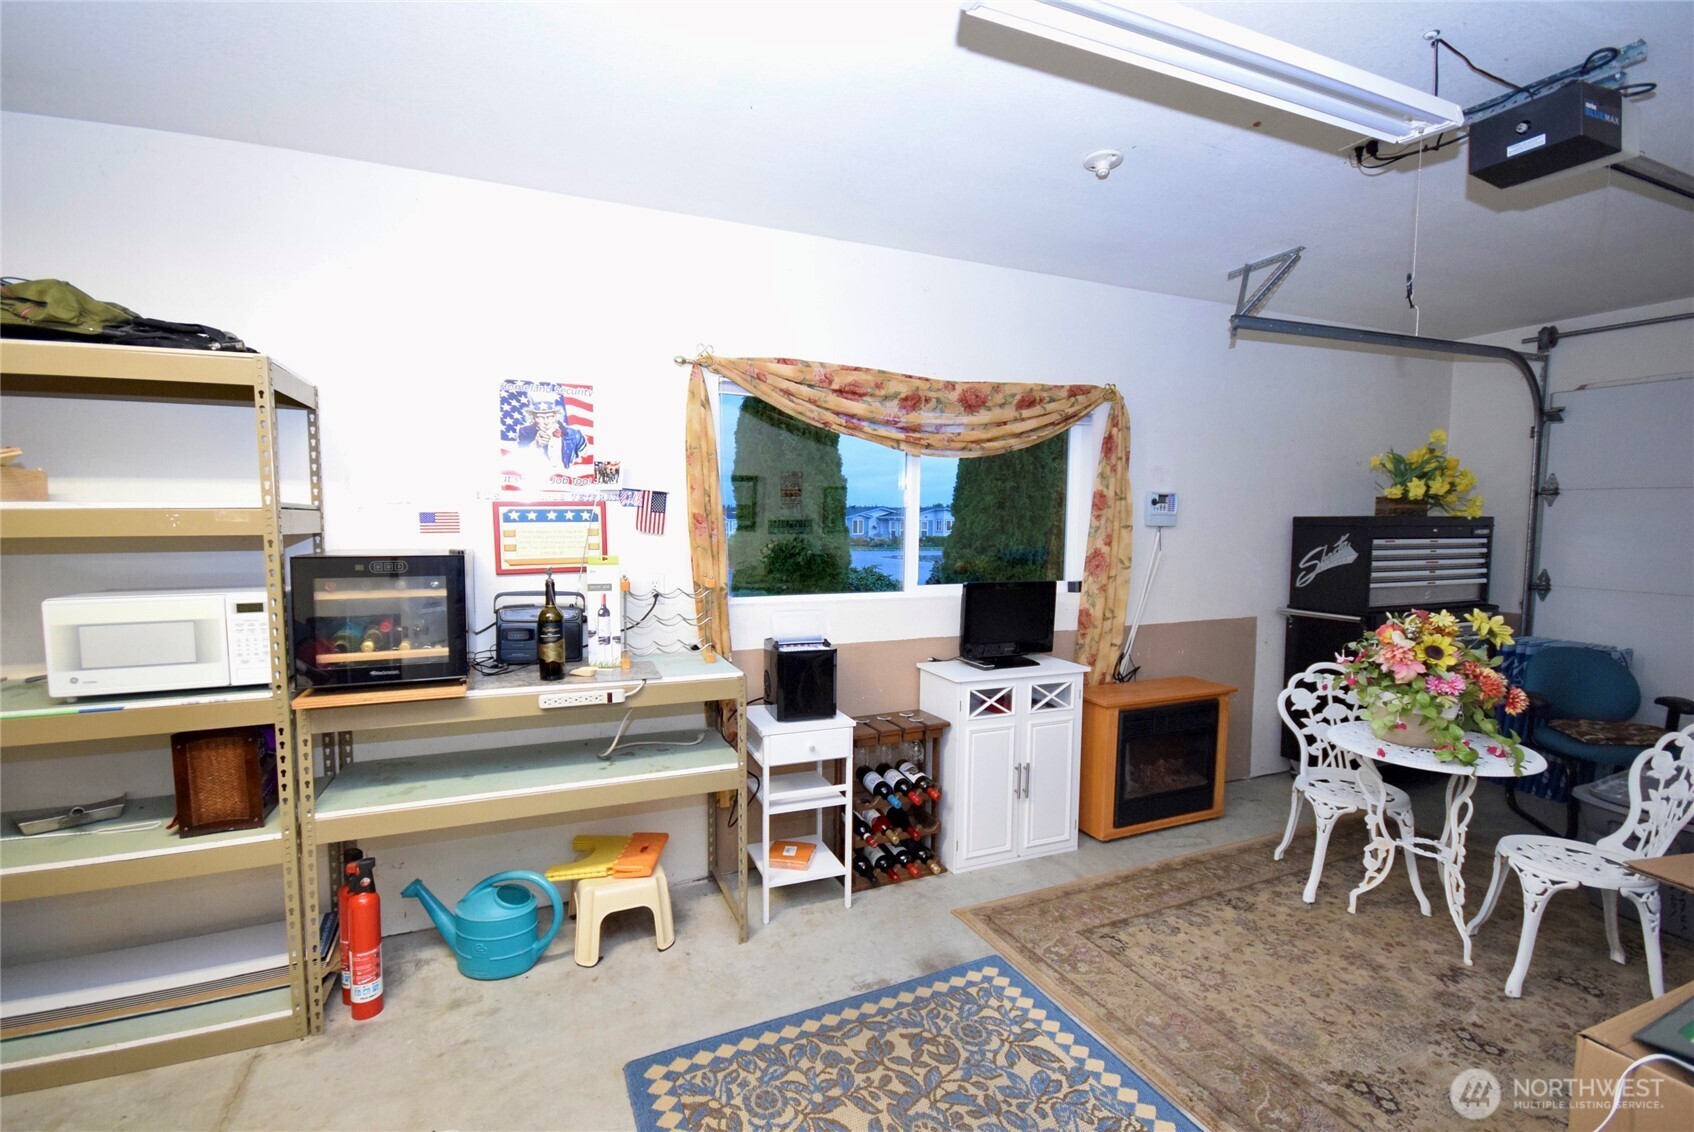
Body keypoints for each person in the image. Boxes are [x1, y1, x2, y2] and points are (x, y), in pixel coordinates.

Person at [517, 387, 588, 477]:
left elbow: (584, 460)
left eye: (550, 416)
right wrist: (535, 444)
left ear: (556, 416)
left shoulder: (575, 435)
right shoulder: (525, 432)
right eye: (541, 417)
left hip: (567, 481)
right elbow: (519, 459)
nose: (546, 422)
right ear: (534, 418)